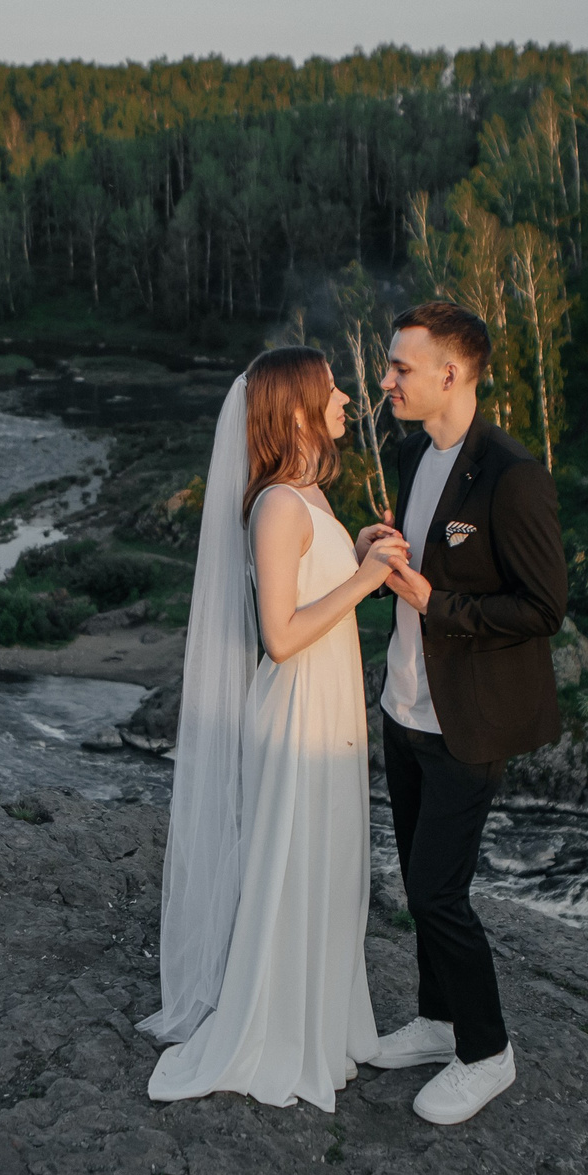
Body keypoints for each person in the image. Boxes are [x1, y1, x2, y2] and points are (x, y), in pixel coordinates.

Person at [143, 347, 409, 1110]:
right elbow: (282, 635)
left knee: (328, 861)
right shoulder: (276, 504)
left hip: (327, 704)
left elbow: (308, 584)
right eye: (331, 388)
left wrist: (353, 555)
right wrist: (367, 580)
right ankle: (278, 1030)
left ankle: (320, 1023)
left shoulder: (308, 495)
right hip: (296, 709)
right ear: (294, 409)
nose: (346, 398)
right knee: (293, 866)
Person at [355, 301, 567, 1126]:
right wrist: (383, 552)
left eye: (399, 367)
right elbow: (426, 566)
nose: (386, 381)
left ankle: (486, 1052)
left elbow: (544, 607)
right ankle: (438, 1018)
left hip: (467, 722)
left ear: (451, 374)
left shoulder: (513, 474)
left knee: (438, 891)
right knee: (419, 880)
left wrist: (435, 602)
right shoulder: (414, 452)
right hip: (404, 707)